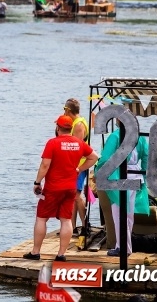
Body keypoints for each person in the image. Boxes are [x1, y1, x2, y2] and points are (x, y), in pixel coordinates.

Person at [24, 115, 98, 261]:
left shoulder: (52, 143)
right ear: (70, 129)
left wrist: (37, 182)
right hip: (70, 187)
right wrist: (79, 168)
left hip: (53, 188)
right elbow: (94, 157)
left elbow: (45, 165)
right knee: (66, 220)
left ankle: (35, 252)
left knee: (41, 218)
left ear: (57, 128)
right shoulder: (79, 143)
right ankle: (61, 254)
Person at [95, 126, 149, 257]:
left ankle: (123, 247)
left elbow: (105, 158)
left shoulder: (115, 136)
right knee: (129, 215)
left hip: (120, 176)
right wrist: (143, 174)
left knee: (119, 214)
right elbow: (146, 156)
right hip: (136, 176)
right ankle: (126, 246)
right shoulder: (140, 136)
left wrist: (98, 172)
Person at [64, 98, 89, 235]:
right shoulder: (76, 123)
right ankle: (72, 227)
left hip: (79, 165)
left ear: (68, 110)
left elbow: (77, 148)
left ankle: (85, 226)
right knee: (73, 196)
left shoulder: (79, 125)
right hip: (75, 165)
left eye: (65, 110)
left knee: (77, 195)